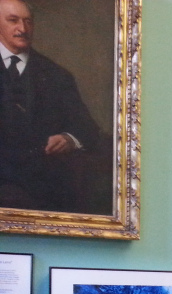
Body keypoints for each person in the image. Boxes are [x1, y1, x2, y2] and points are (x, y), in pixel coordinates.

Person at [0, 0, 102, 212]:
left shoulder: (56, 75)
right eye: (13, 21)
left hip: (43, 187)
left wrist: (69, 139)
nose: (23, 29)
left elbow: (88, 129)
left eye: (28, 22)